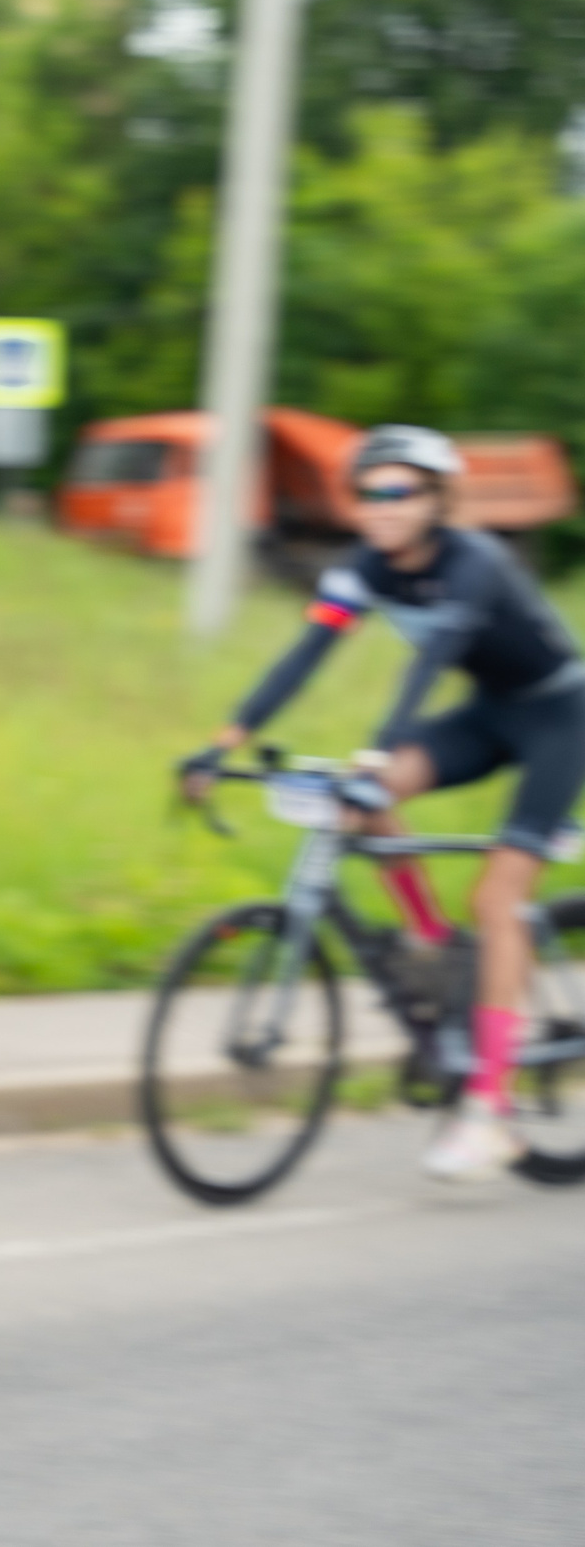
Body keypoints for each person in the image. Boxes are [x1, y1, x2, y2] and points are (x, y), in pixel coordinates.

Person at [182, 423, 585, 1182]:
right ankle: (431, 945)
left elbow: (430, 663)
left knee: (496, 899)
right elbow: (304, 654)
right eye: (368, 493)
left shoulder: (475, 562)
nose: (382, 506)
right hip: (490, 713)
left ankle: (489, 1112)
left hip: (561, 719)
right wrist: (223, 743)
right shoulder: (363, 570)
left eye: (400, 490)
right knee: (361, 802)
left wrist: (380, 750)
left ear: (438, 500)